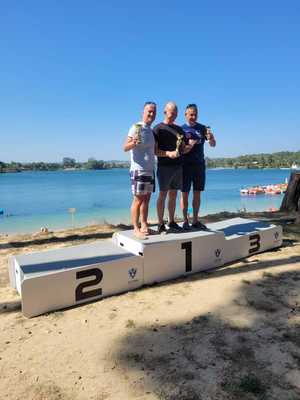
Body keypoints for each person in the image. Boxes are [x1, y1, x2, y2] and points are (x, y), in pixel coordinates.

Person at [153, 102, 194, 233]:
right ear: (165, 112)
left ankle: (171, 221)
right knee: (162, 195)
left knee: (173, 195)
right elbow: (154, 151)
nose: (174, 114)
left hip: (178, 166)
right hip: (164, 167)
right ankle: (160, 223)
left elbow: (183, 149)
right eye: (172, 112)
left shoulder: (179, 130)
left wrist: (190, 146)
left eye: (176, 112)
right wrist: (168, 154)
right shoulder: (158, 128)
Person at [123, 102, 156, 239]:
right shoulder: (135, 127)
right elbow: (125, 147)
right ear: (143, 112)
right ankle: (135, 228)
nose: (151, 114)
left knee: (147, 199)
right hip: (139, 170)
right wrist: (134, 143)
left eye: (154, 112)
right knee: (138, 200)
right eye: (149, 111)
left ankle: (144, 225)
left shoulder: (151, 131)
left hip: (150, 170)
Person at [181, 103, 216, 230]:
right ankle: (185, 221)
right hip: (185, 166)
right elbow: (179, 149)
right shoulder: (181, 129)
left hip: (199, 166)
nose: (193, 117)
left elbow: (213, 144)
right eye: (191, 114)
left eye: (195, 114)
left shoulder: (203, 128)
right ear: (185, 115)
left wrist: (211, 138)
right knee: (184, 194)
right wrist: (189, 146)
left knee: (197, 193)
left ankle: (195, 220)